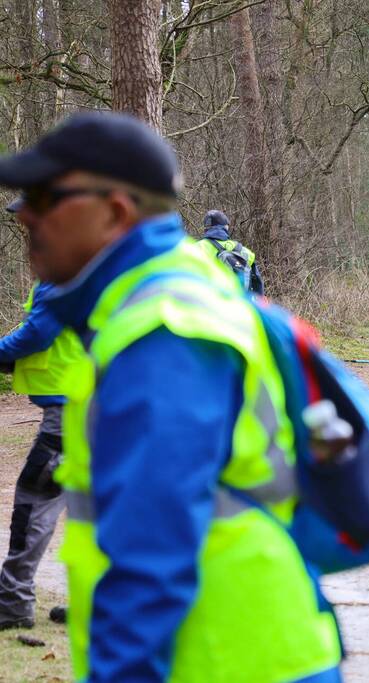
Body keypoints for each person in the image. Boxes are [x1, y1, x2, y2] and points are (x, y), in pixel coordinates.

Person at [0, 112, 343, 682]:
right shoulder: (165, 295)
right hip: (234, 651)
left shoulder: (162, 331)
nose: (25, 215)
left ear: (114, 211)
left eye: (46, 197)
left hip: (225, 660)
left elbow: (151, 561)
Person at [0, 198, 84, 632]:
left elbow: (38, 332)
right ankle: (92, 601)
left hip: (69, 410)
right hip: (100, 405)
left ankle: (12, 602)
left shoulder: (62, 267)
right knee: (93, 509)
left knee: (35, 503)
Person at [196, 209, 265, 294]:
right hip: (239, 304)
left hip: (208, 304)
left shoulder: (197, 248)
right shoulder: (245, 252)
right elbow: (258, 287)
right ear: (226, 227)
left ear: (206, 229)